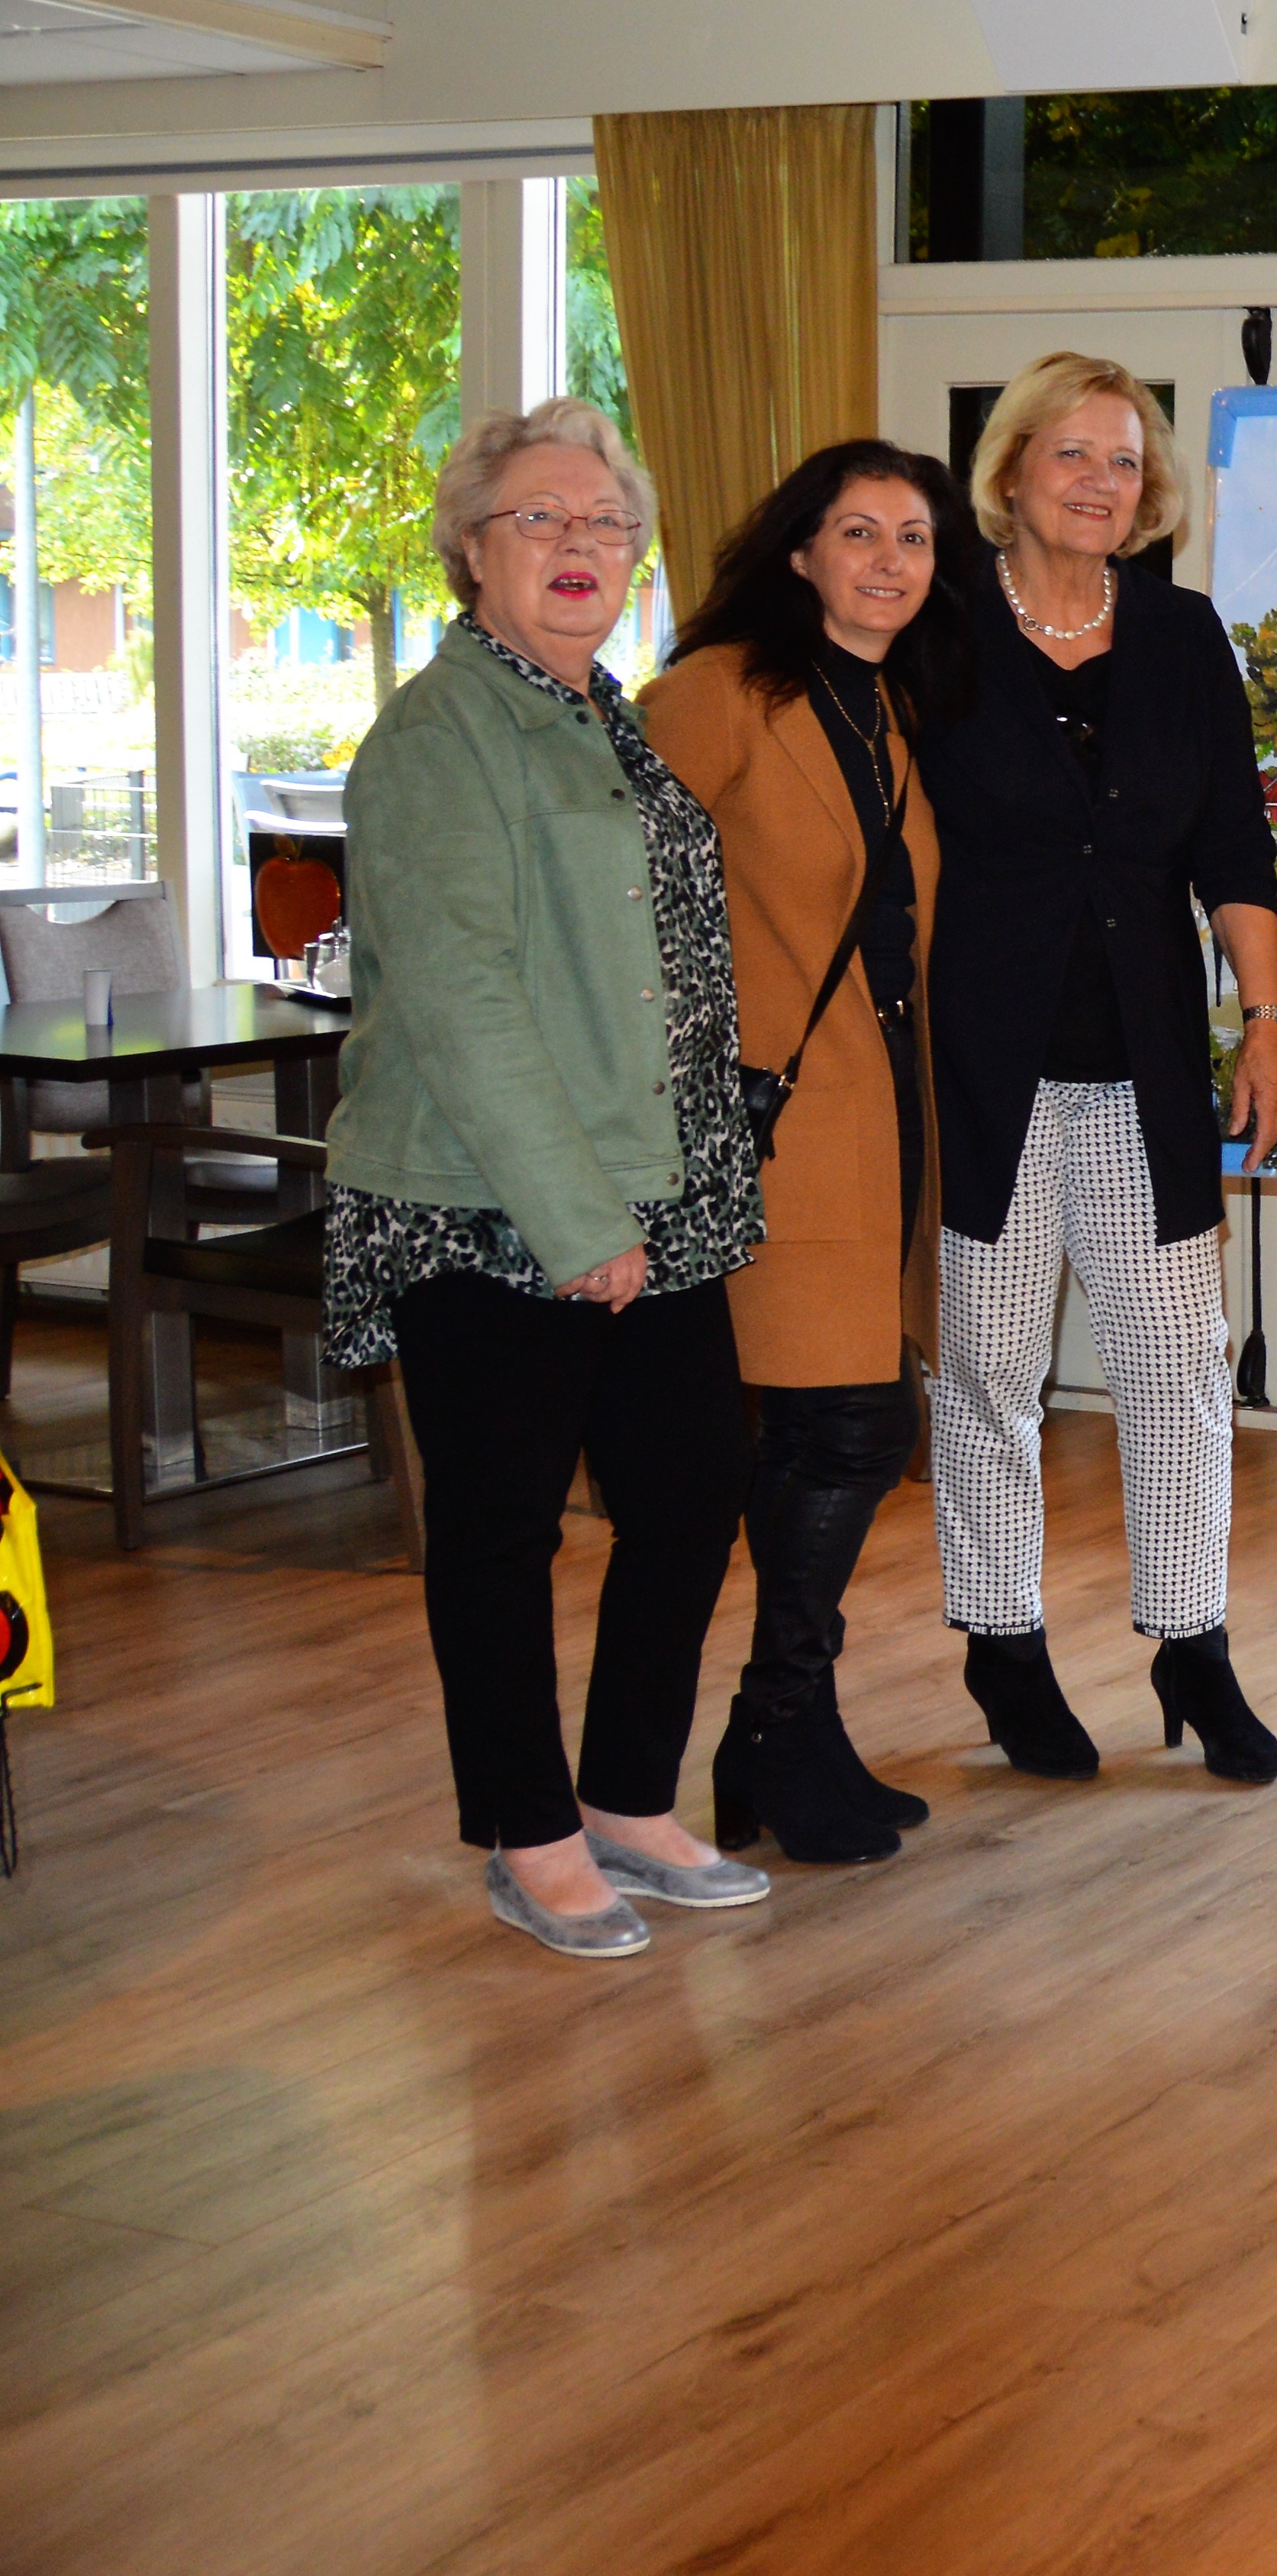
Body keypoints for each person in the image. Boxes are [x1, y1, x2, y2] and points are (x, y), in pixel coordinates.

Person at [325, 400, 770, 1958]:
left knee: (691, 1486)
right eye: (542, 518)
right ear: (472, 550)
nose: (579, 546)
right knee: (504, 1527)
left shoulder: (600, 715)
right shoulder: (438, 734)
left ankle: (629, 1800)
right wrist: (574, 1222)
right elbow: (461, 995)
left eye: (603, 524)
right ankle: (528, 1832)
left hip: (655, 1184)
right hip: (486, 1198)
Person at [921, 353, 1277, 1785]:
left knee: (1180, 1371)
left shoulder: (1186, 638)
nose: (1095, 479)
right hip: (985, 1074)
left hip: (1146, 1069)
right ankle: (1003, 1646)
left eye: (1123, 460)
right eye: (1067, 453)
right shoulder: (940, 630)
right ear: (1010, 470)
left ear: (1153, 493)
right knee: (992, 1371)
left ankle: (1192, 1644)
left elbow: (1235, 852)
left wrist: (1263, 1019)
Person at [647, 442, 971, 1865]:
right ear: (797, 553)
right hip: (768, 1119)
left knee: (843, 1422)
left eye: (913, 537)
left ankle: (788, 1724)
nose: (890, 561)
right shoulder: (718, 695)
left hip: (878, 1110)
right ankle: (776, 1725)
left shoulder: (891, 705)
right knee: (843, 1424)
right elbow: (624, 888)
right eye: (860, 533)